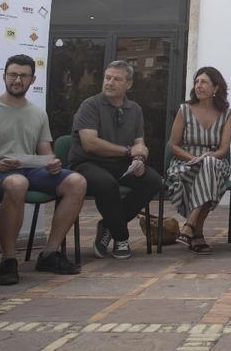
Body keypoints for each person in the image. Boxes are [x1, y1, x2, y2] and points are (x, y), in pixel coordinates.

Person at [0, 54, 86, 283]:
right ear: (4, 76)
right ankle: (8, 260)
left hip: (27, 169)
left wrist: (53, 162)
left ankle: (50, 253)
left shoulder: (37, 113)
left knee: (76, 181)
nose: (17, 80)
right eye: (13, 75)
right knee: (17, 183)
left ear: (32, 79)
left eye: (23, 76)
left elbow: (45, 151)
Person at [69, 60, 163, 260]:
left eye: (116, 79)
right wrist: (130, 152)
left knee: (153, 180)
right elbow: (90, 143)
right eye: (107, 77)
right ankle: (121, 236)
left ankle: (108, 225)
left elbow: (139, 143)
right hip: (88, 163)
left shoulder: (135, 109)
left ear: (128, 84)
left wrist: (139, 158)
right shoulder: (90, 105)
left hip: (120, 163)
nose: (109, 83)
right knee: (106, 184)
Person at [165, 66, 231, 255]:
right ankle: (197, 234)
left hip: (215, 161)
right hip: (185, 162)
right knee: (207, 171)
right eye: (196, 82)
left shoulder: (227, 113)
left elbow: (223, 149)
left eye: (204, 82)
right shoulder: (184, 110)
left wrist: (206, 159)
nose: (198, 86)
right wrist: (194, 159)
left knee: (210, 166)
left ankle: (190, 225)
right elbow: (173, 145)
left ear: (216, 88)